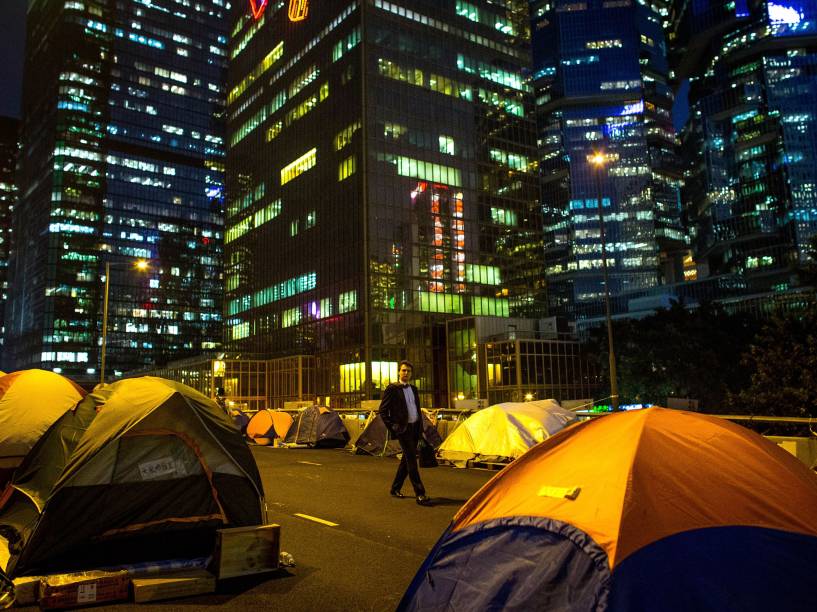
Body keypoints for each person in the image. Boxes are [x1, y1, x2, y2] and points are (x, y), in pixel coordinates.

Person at [378, 360, 431, 505]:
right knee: (412, 461)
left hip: (415, 428)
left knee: (406, 460)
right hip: (403, 430)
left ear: (411, 373)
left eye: (408, 371)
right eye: (403, 370)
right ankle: (420, 493)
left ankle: (395, 488)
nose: (406, 373)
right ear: (399, 372)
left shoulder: (413, 389)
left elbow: (416, 409)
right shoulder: (392, 389)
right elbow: (382, 411)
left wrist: (420, 430)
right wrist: (393, 427)